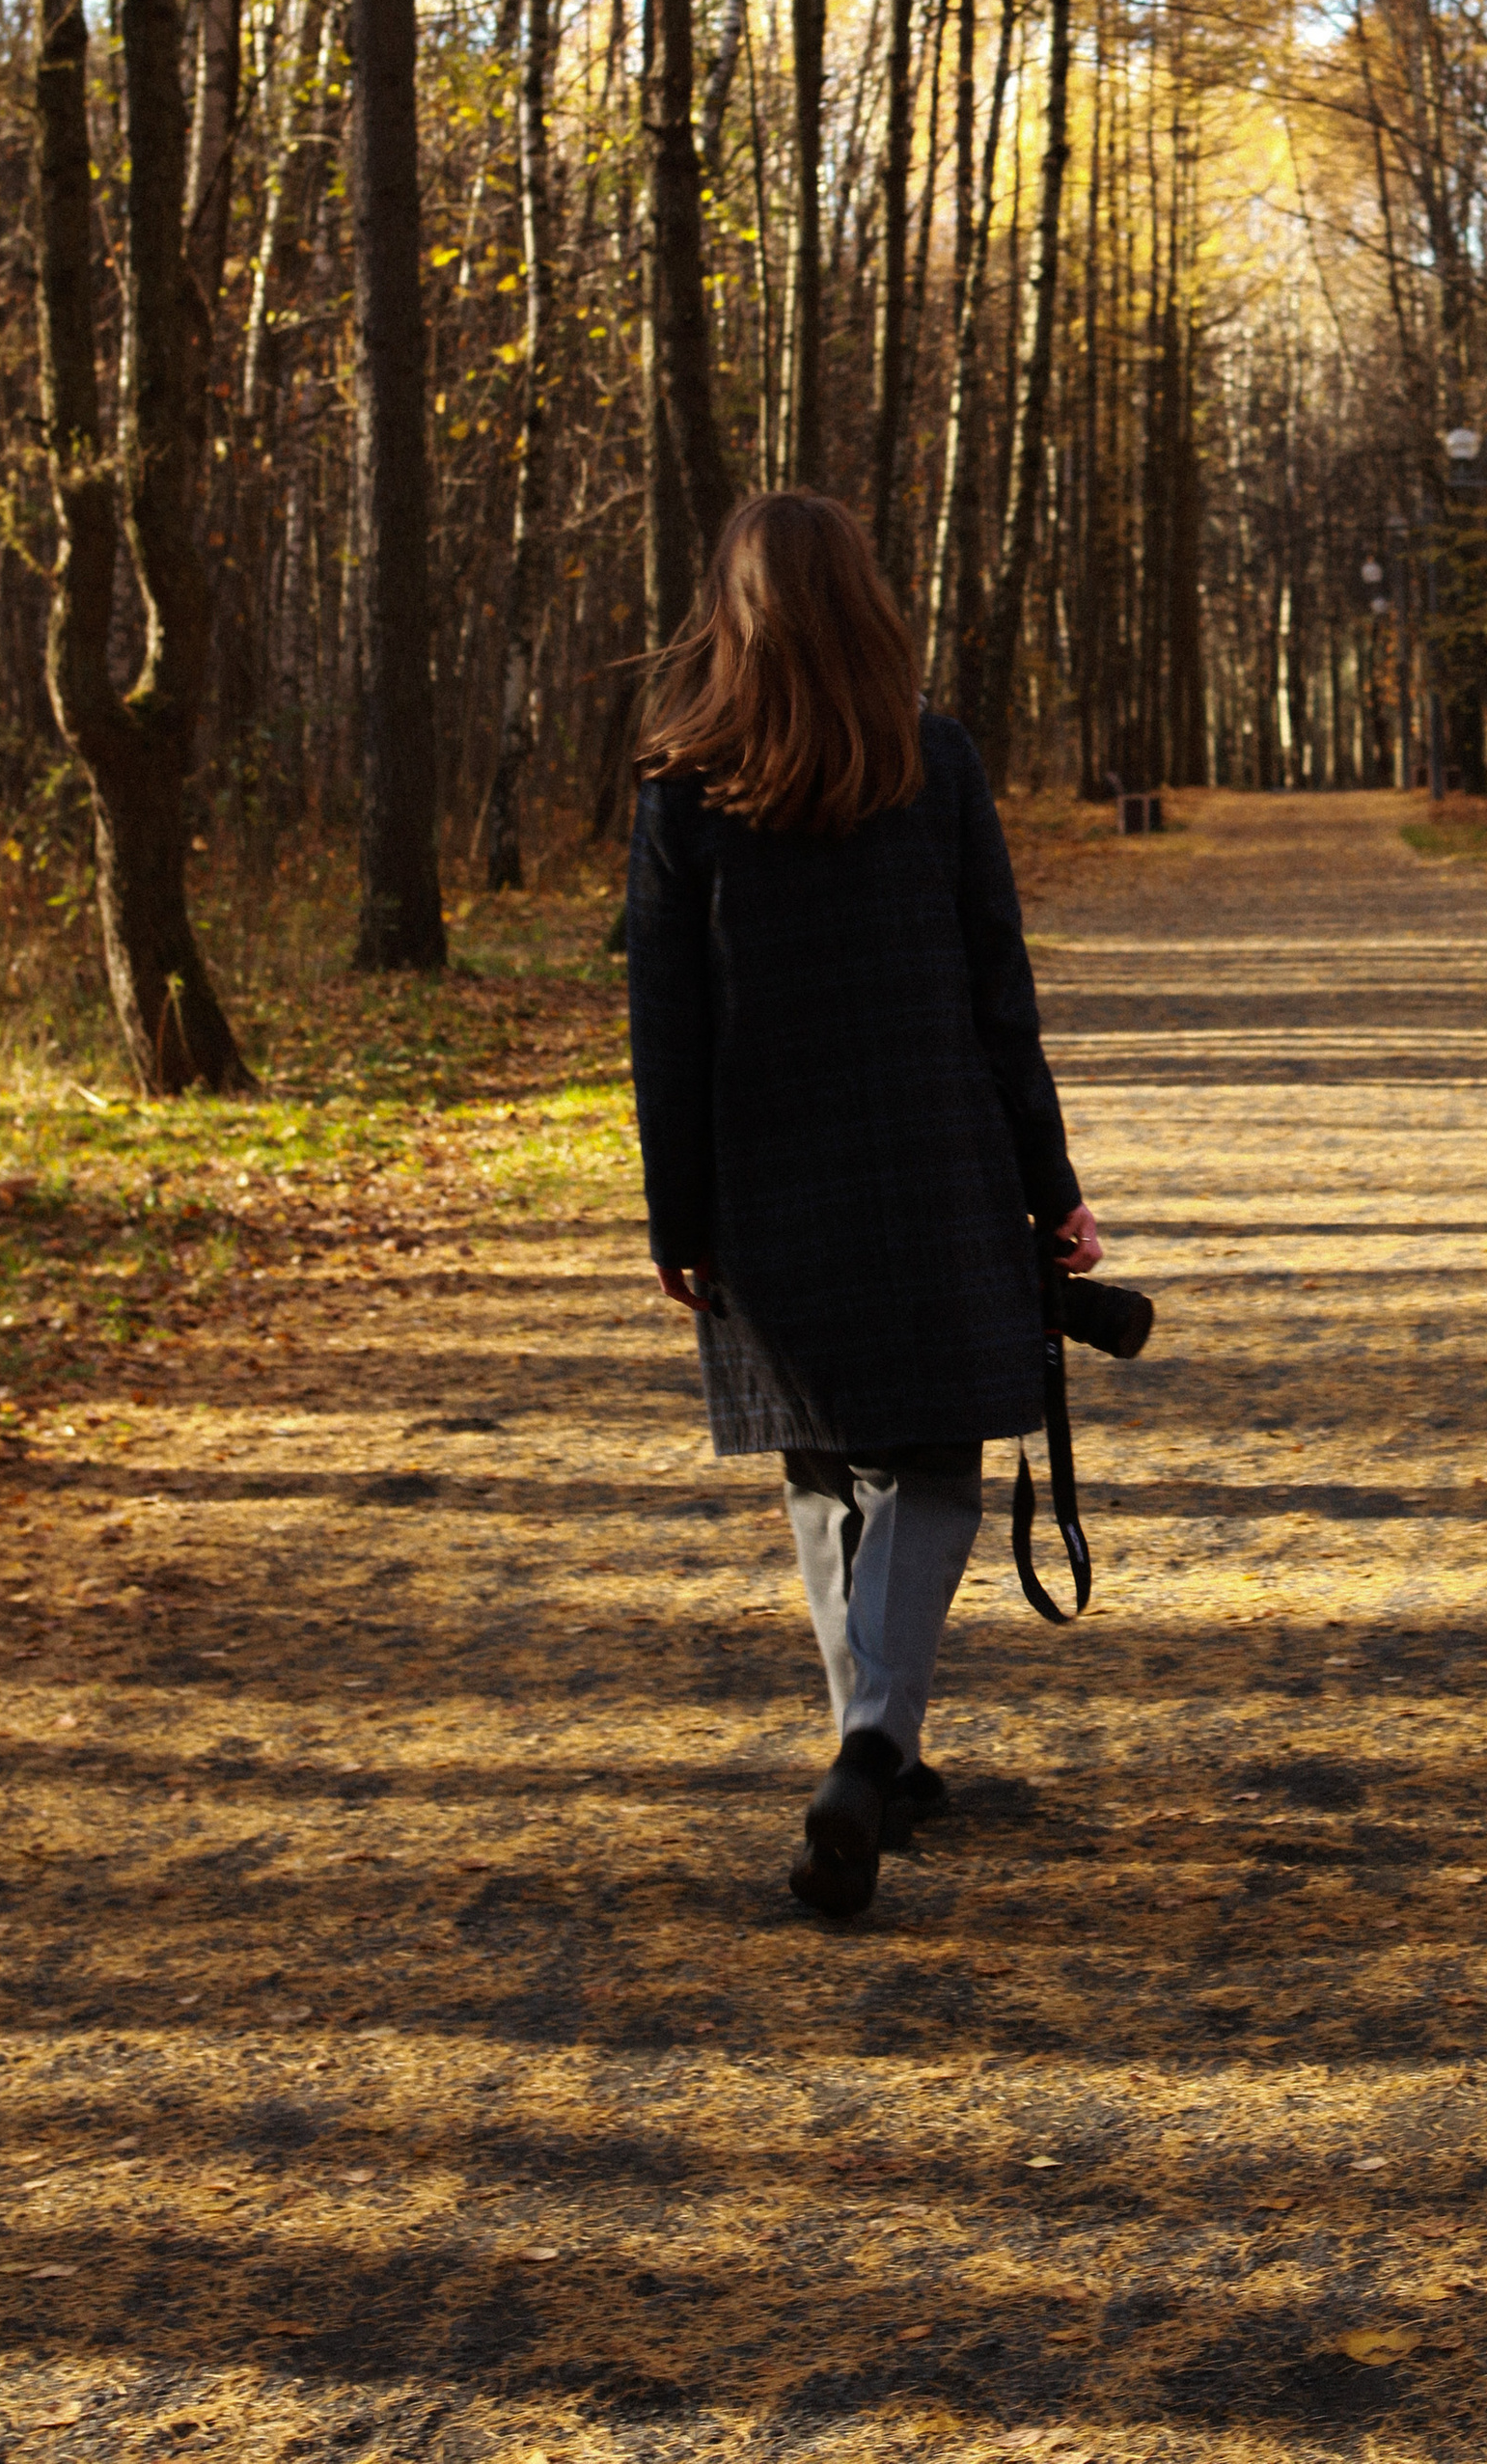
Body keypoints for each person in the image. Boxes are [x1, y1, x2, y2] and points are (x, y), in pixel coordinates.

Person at [623, 489, 1101, 1923]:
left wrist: (679, 1218)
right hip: (935, 1167)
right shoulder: (935, 765)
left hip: (769, 1189)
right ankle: (876, 1747)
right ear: (869, 606)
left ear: (737, 612)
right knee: (932, 1467)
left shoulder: (678, 795)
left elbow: (666, 1030)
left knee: (822, 1467)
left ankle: (869, 1754)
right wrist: (1049, 1187)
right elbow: (996, 1000)